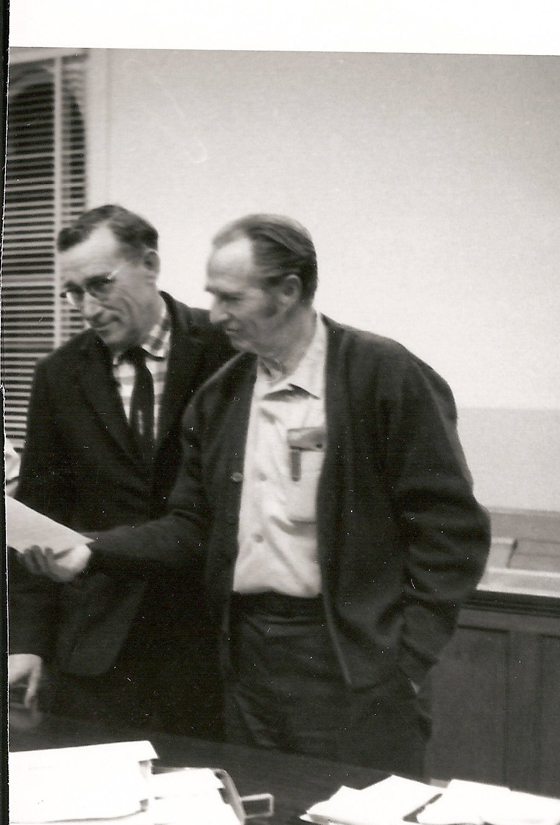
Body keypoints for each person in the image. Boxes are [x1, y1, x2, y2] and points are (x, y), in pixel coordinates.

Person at [24, 214, 491, 775]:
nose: (216, 315)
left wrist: (405, 660)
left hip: (350, 657)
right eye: (212, 297)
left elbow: (451, 531)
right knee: (262, 823)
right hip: (245, 660)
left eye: (231, 298)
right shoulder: (223, 396)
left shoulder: (383, 375)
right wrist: (94, 551)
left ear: (288, 291)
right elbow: (193, 524)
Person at [8, 204, 233, 736]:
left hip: (210, 644)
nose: (87, 307)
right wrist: (28, 643)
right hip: (98, 648)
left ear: (149, 264)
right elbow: (39, 514)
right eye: (73, 292)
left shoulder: (227, 351)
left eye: (100, 284)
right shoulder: (59, 376)